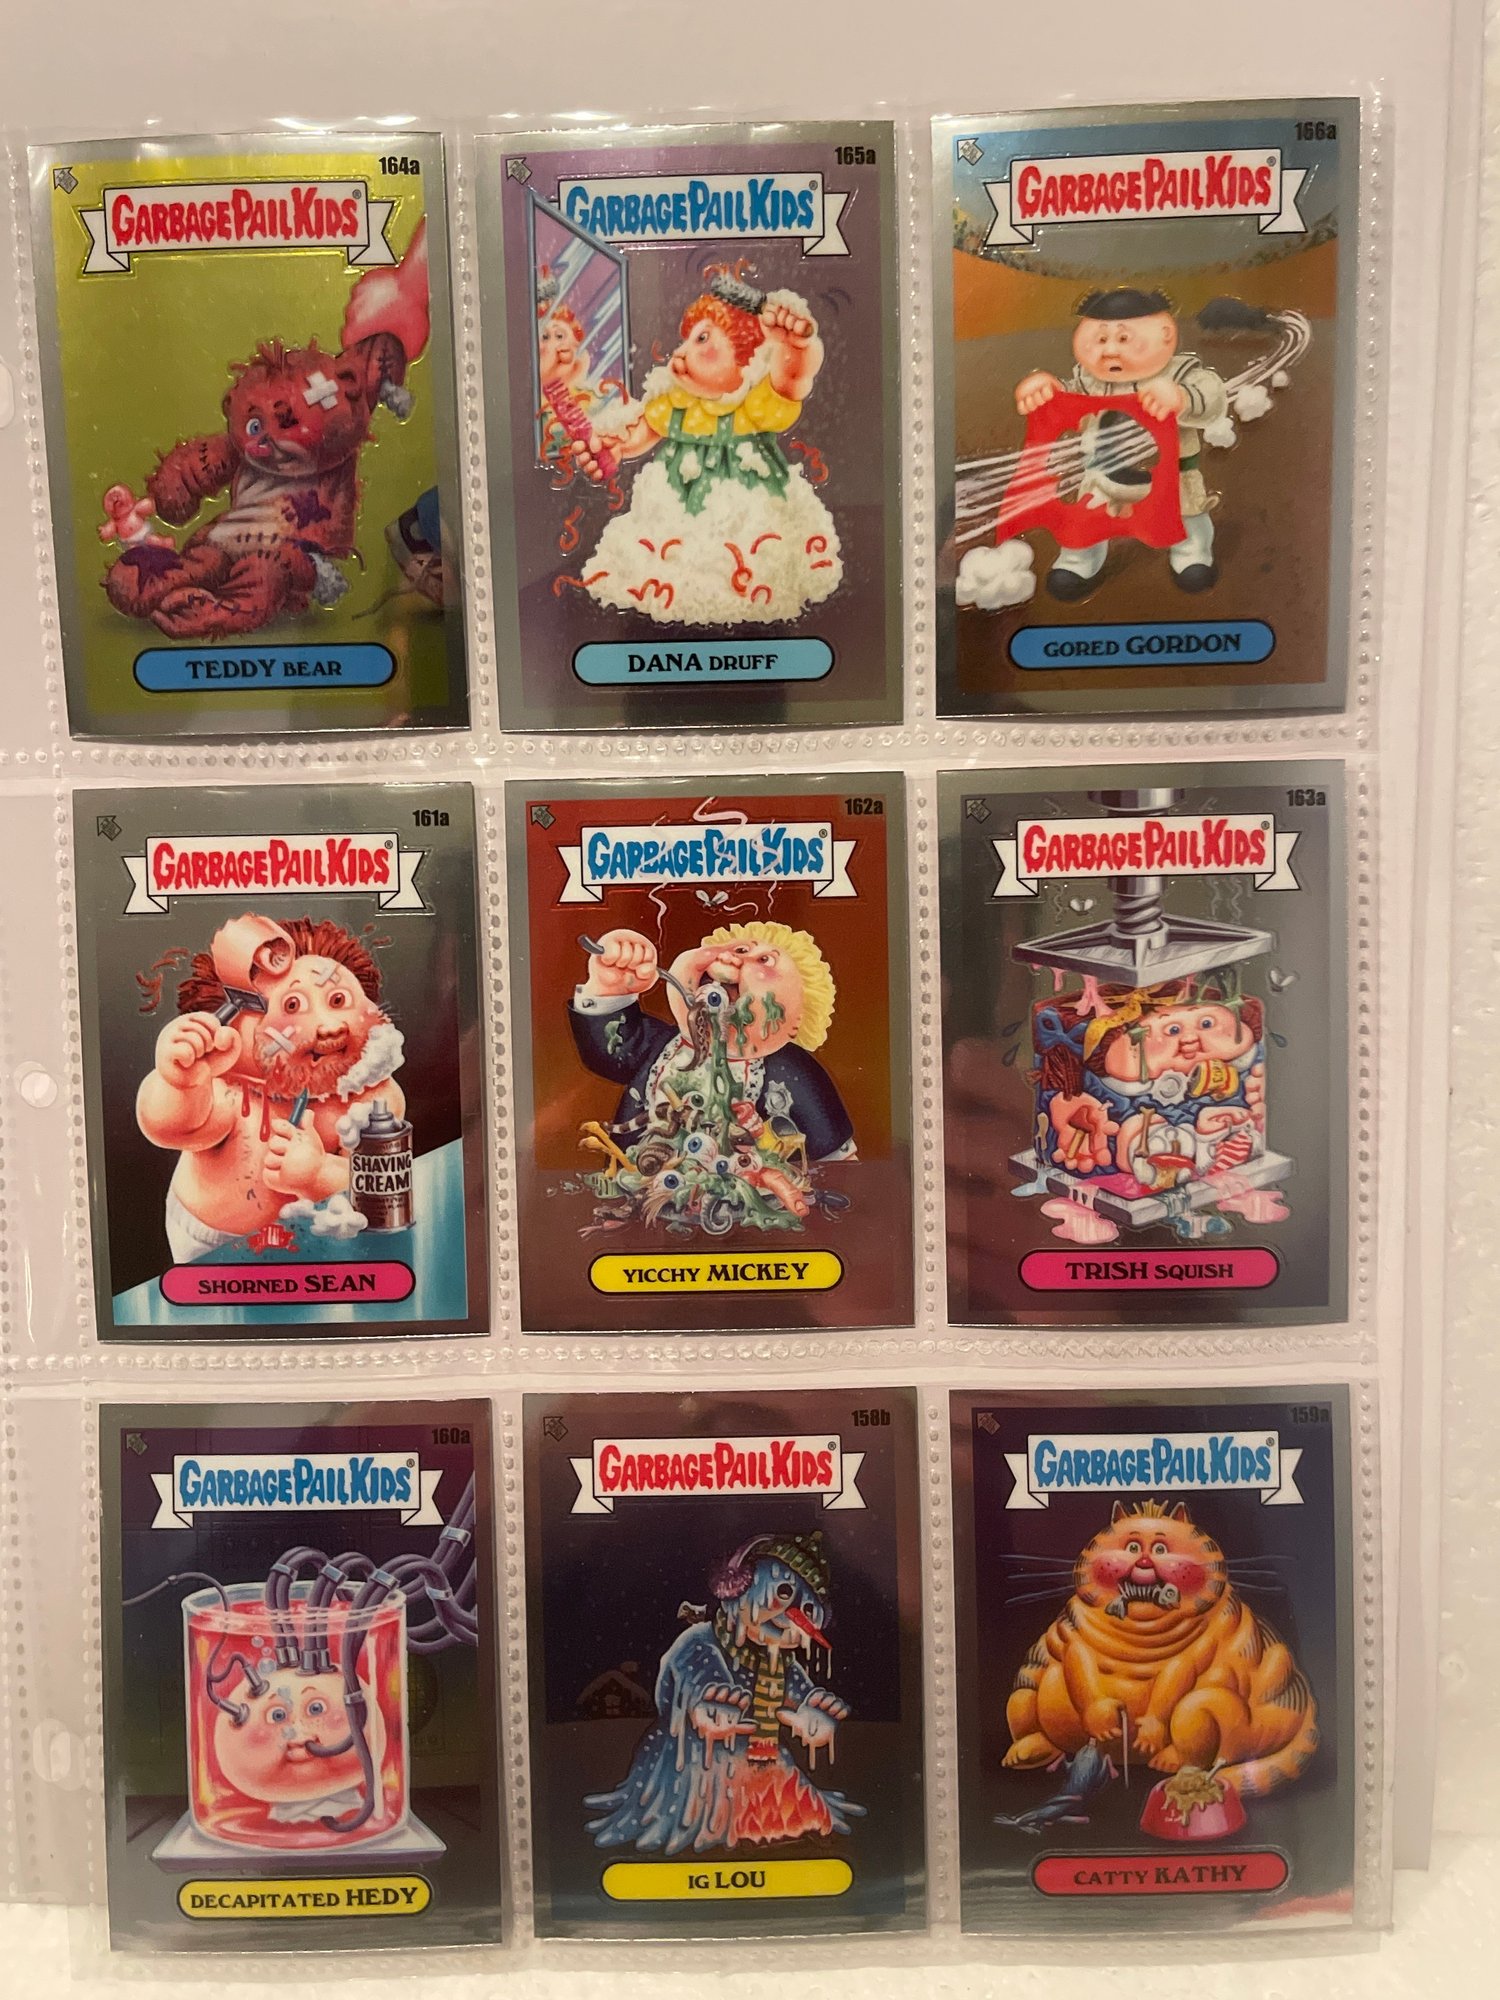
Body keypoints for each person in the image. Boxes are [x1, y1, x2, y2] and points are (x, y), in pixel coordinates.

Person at [1014, 287, 1228, 600]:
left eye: (1124, 338)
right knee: (1084, 521)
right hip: (1103, 478)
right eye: (1100, 339)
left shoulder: (1181, 374)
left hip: (1172, 478)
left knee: (1187, 516)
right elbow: (1067, 404)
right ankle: (1078, 562)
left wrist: (1181, 398)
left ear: (1167, 335)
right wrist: (1046, 390)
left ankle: (1192, 555)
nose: (1110, 350)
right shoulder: (1089, 380)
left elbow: (1213, 399)